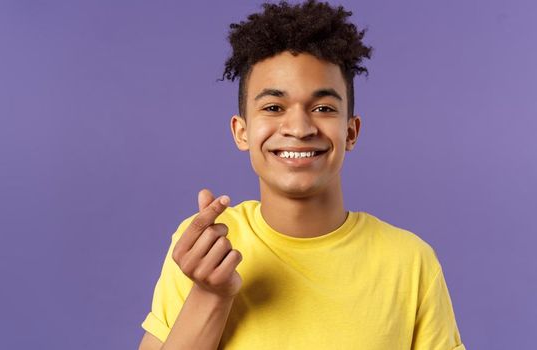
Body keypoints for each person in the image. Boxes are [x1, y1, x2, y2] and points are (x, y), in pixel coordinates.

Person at [137, 1, 465, 349]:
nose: (299, 127)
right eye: (274, 108)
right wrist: (210, 293)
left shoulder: (411, 262)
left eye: (323, 108)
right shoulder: (204, 248)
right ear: (241, 131)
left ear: (350, 132)